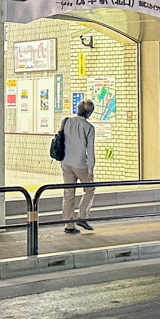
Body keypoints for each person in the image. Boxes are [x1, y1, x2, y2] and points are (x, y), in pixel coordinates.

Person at [58, 98, 97, 234]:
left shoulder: (66, 121)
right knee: (89, 189)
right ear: (89, 113)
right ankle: (82, 216)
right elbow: (90, 150)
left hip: (66, 162)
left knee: (68, 193)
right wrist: (91, 169)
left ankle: (68, 225)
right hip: (80, 164)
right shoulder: (89, 128)